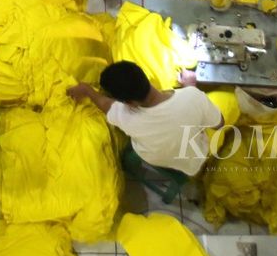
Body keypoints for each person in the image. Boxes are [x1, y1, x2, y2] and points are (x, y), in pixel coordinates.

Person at [67, 61, 223, 177]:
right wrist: (190, 87)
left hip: (154, 158)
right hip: (194, 160)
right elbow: (219, 124)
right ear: (145, 76)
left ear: (127, 102)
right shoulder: (193, 97)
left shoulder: (124, 115)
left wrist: (87, 90)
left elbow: (104, 104)